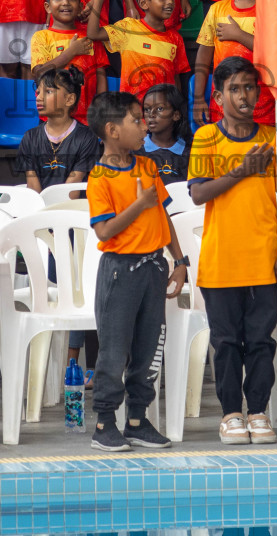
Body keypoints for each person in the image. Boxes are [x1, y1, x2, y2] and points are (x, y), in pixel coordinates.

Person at [188, 56, 277, 445]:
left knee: (262, 341)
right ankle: (231, 413)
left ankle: (258, 411)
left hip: (265, 258)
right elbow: (199, 192)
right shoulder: (206, 138)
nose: (244, 95)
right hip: (221, 261)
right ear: (217, 97)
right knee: (226, 342)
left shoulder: (273, 136)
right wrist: (243, 169)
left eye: (250, 87)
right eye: (234, 89)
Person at [85, 90, 187, 452]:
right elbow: (105, 230)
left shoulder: (147, 167)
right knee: (114, 350)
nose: (144, 125)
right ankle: (103, 423)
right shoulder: (99, 177)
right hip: (120, 271)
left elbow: (163, 215)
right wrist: (140, 203)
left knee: (148, 348)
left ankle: (137, 420)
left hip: (153, 268)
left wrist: (179, 261)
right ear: (113, 130)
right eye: (136, 119)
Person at [194, 0, 273, 126]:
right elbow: (203, 57)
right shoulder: (216, 10)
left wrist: (239, 35)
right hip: (223, 105)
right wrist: (198, 99)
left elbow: (272, 54)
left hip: (261, 104)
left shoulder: (270, 11)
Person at [88, 0, 191, 95]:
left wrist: (176, 106)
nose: (170, 2)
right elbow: (93, 33)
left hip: (162, 110)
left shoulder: (175, 38)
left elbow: (176, 78)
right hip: (132, 109)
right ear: (143, 3)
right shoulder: (128, 28)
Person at [31, 0, 111, 125]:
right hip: (51, 119)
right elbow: (40, 73)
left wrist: (101, 114)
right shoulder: (42, 37)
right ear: (48, 7)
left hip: (87, 120)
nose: (65, 2)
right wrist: (71, 52)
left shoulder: (90, 36)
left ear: (81, 6)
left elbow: (100, 76)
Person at [18, 69, 101, 188]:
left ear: (69, 99)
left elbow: (70, 191)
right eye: (38, 92)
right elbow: (33, 190)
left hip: (71, 205)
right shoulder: (30, 137)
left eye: (48, 91)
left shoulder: (86, 137)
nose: (38, 98)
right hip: (41, 205)